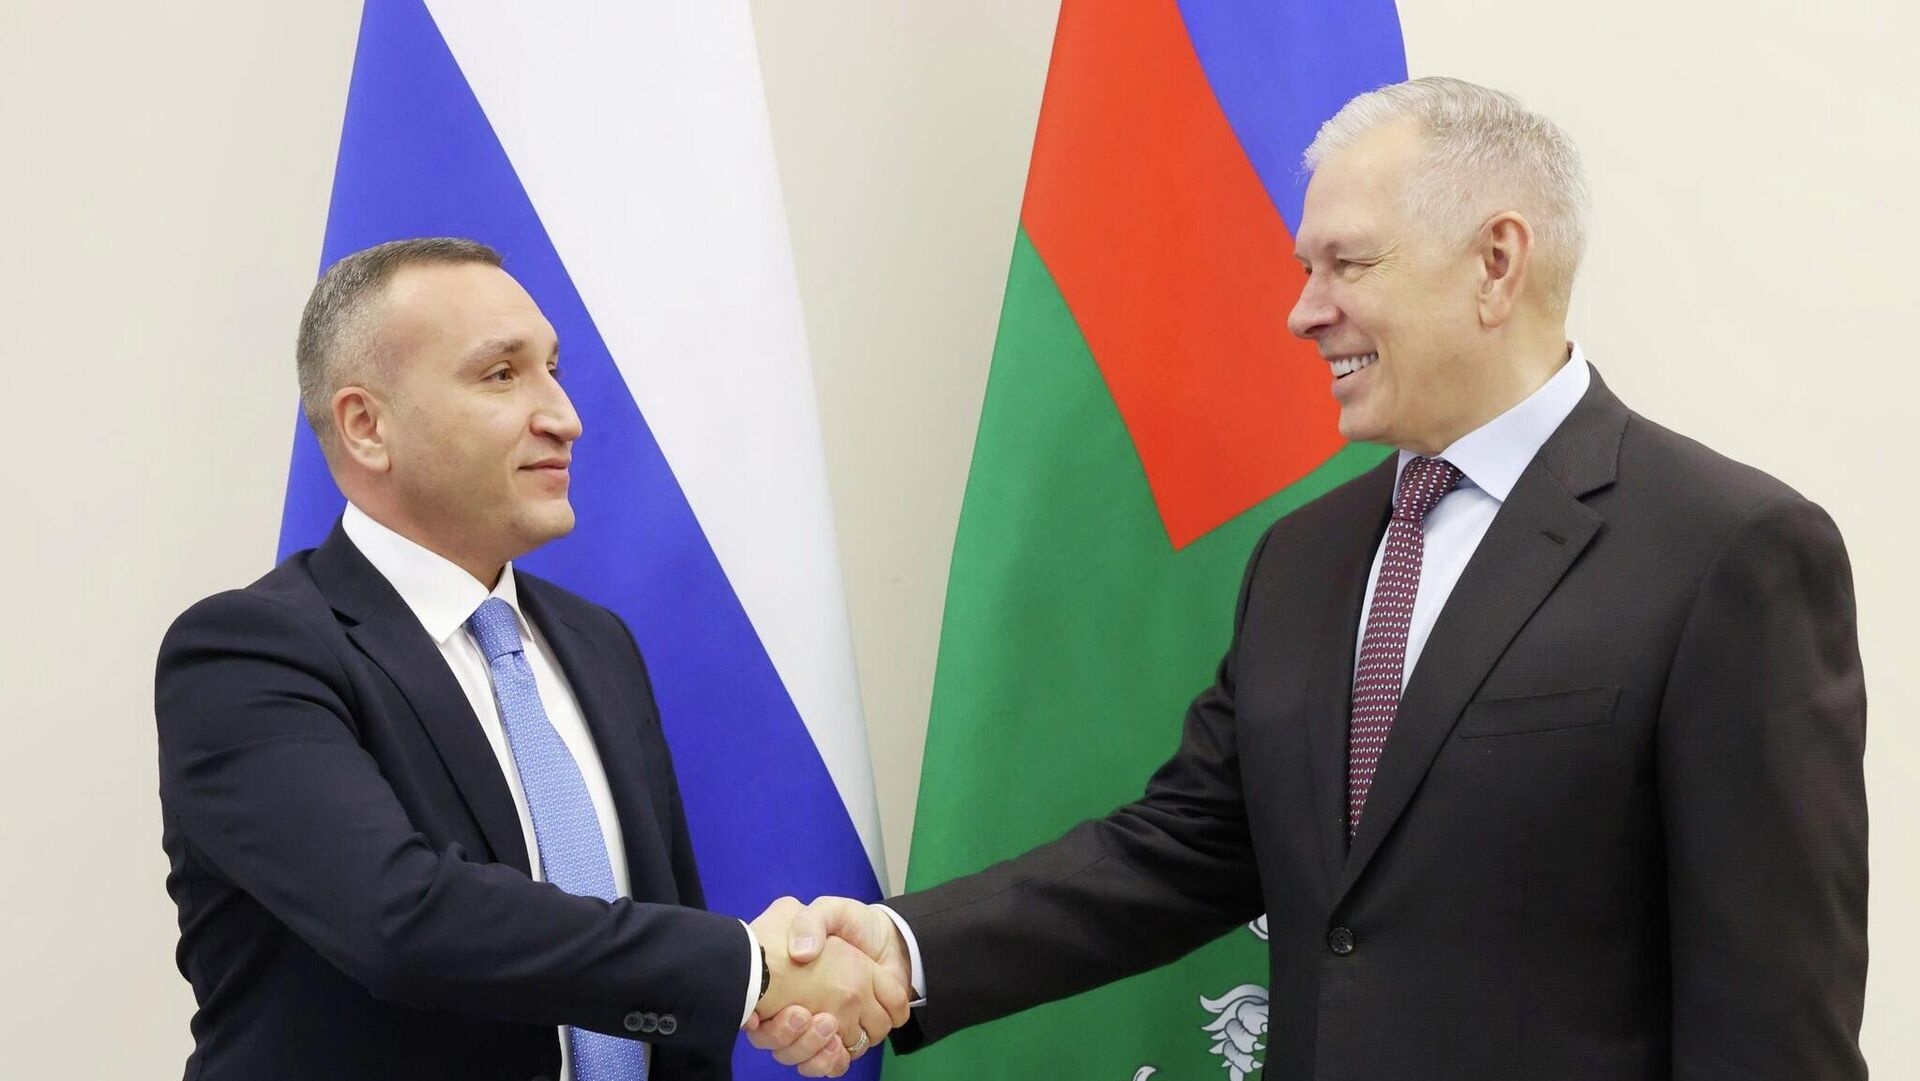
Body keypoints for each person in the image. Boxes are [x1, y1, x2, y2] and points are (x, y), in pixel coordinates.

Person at [752, 77, 1869, 1079]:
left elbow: (1773, 1020)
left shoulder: (1729, 551)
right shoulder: (1306, 556)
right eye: (1305, 269)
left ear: (1496, 263)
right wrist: (903, 949)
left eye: (1348, 264)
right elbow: (1187, 844)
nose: (1303, 311)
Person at [155, 238, 904, 1081]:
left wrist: (748, 987)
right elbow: (404, 920)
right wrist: (748, 969)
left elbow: (664, 995)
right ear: (366, 425)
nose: (564, 416)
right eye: (502, 374)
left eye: (553, 368)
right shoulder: (246, 655)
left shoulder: (597, 643)